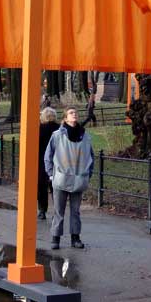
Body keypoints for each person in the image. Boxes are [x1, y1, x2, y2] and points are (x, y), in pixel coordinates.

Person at [44, 106, 94, 250]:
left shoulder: (85, 136)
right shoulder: (57, 135)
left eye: (76, 112)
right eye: (71, 113)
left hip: (78, 178)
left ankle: (75, 238)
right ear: (65, 118)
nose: (74, 114)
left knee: (75, 211)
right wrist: (51, 174)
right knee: (58, 211)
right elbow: (48, 155)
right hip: (60, 178)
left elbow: (91, 156)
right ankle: (56, 238)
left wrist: (87, 173)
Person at [37, 107, 59, 219]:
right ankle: (57, 211)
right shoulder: (59, 129)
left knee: (41, 187)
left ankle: (42, 210)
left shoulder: (40, 129)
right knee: (55, 187)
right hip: (57, 161)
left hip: (41, 161)